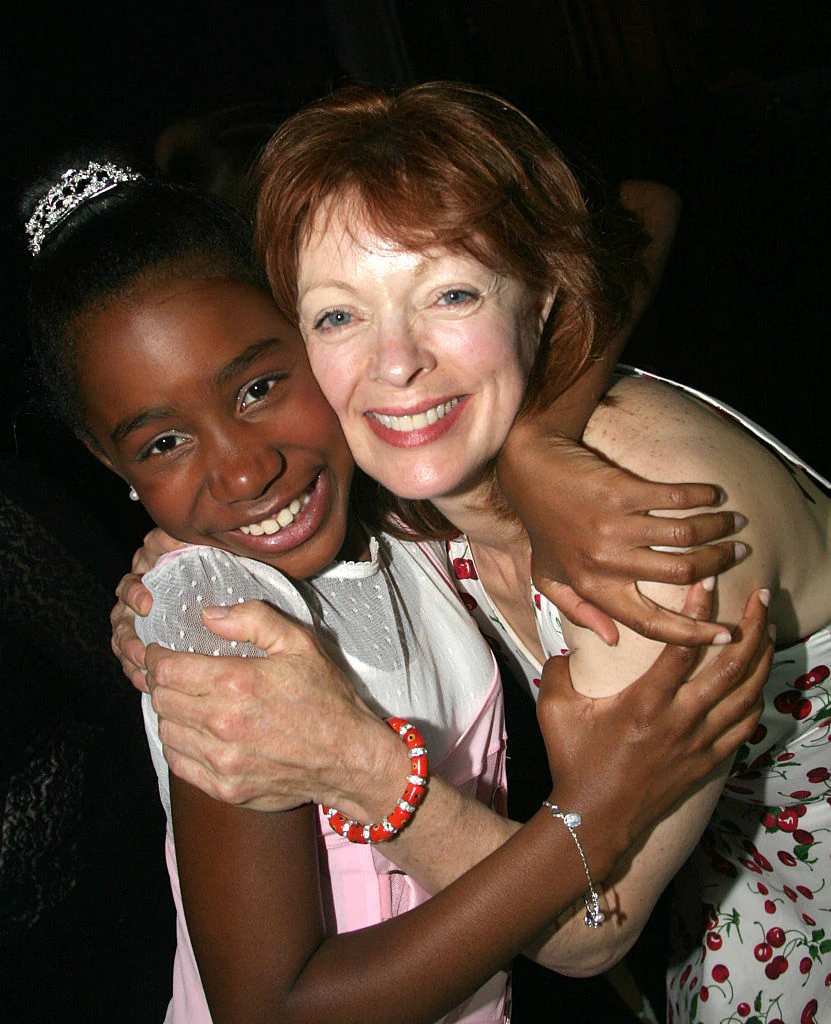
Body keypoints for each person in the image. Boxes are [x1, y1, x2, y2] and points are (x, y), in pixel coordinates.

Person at [116, 82, 830, 1024]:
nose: (396, 362)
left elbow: (591, 927)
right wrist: (170, 563)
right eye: (337, 316)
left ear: (542, 299)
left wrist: (355, 761)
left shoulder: (650, 528)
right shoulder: (418, 480)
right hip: (726, 891)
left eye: (451, 294)